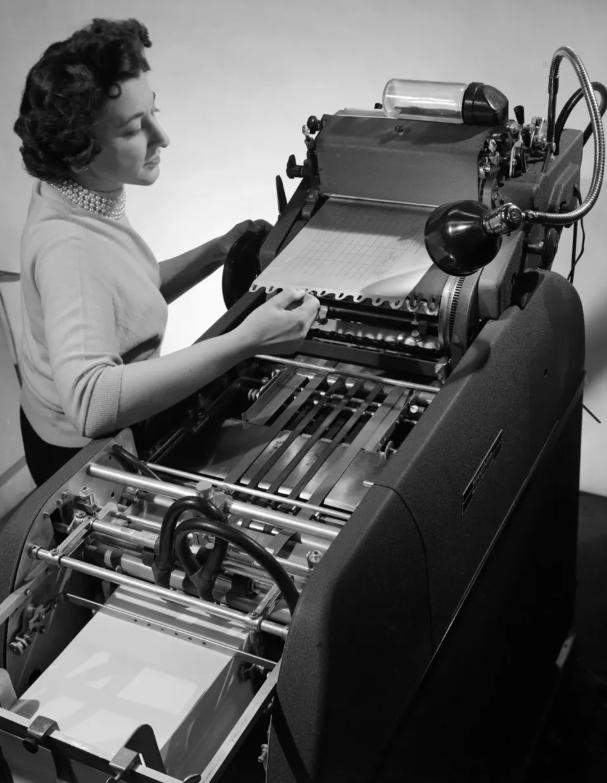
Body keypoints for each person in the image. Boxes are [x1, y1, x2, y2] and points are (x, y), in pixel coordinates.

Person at [13, 17, 319, 487]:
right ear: (80, 148)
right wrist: (246, 340)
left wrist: (215, 252)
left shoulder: (78, 190)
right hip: (82, 464)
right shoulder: (69, 247)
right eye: (136, 129)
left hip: (61, 427)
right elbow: (93, 404)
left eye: (155, 111)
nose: (162, 137)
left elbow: (120, 297)